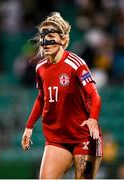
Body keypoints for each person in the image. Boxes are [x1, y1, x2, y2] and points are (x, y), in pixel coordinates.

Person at [21, 12, 103, 179]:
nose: (45, 41)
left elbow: (95, 96)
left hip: (84, 137)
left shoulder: (76, 64)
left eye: (51, 35)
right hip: (57, 139)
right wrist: (29, 127)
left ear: (63, 40)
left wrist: (93, 119)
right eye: (43, 37)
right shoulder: (40, 68)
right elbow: (41, 98)